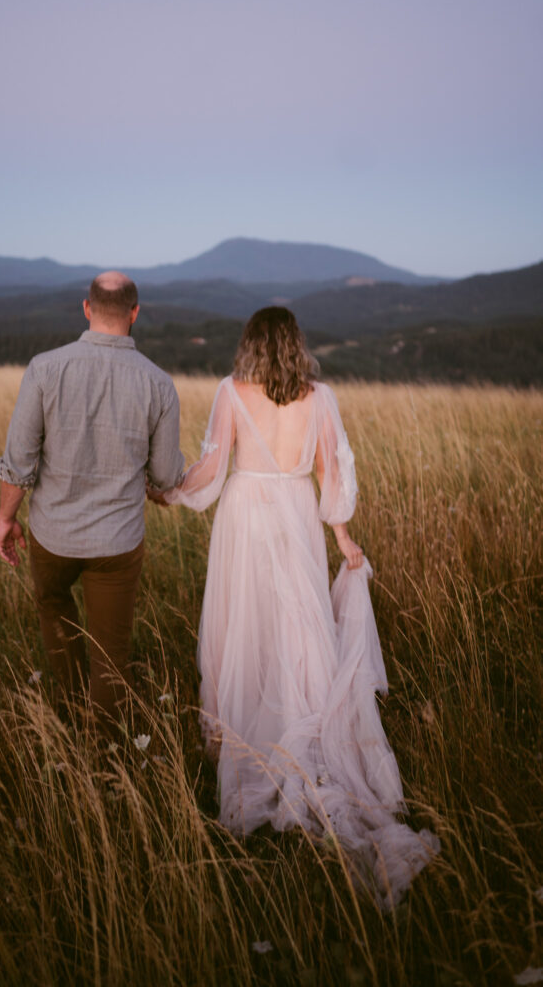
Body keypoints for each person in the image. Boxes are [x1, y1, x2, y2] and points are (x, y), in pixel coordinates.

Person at [149, 307, 439, 909]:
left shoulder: (232, 391)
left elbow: (208, 469)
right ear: (297, 346)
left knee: (244, 631)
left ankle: (241, 741)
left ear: (251, 344)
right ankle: (301, 746)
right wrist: (342, 538)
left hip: (245, 515)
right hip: (297, 514)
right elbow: (334, 472)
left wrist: (171, 491)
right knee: (300, 630)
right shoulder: (322, 397)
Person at [0, 271, 185, 727]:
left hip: (51, 535)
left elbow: (18, 460)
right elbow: (164, 475)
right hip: (116, 544)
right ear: (135, 313)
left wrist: (6, 519)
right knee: (112, 651)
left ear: (86, 308)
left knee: (53, 608)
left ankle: (72, 704)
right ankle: (103, 756)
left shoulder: (44, 367)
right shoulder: (159, 384)